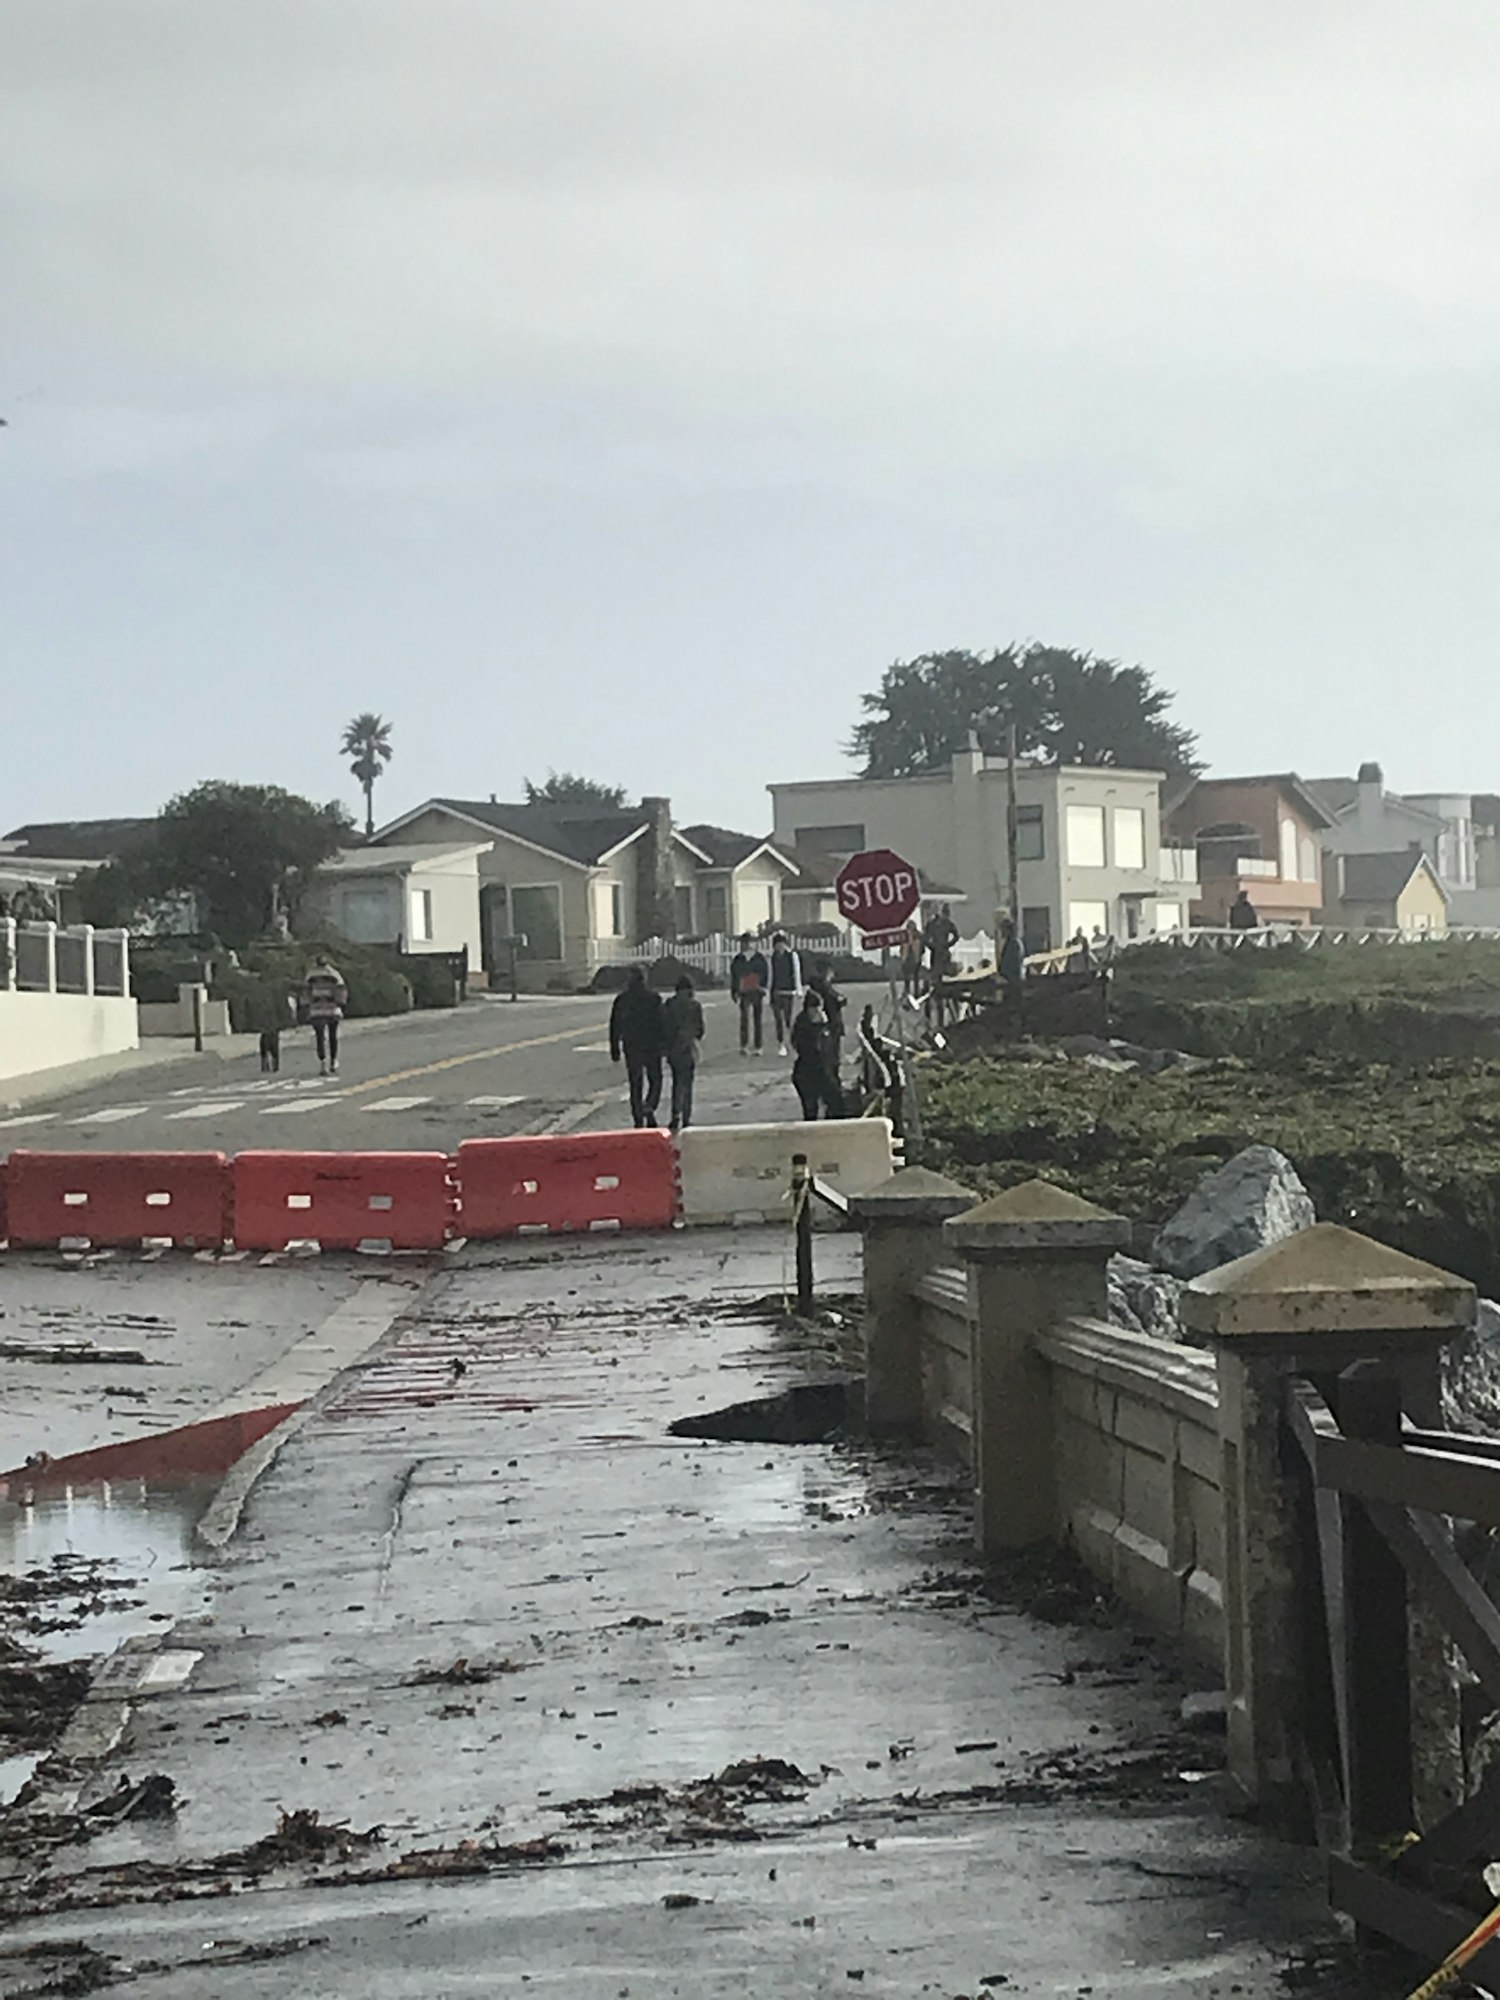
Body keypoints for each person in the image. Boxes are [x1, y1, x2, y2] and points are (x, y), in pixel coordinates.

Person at [609, 966, 665, 1127]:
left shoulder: (622, 999)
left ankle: (638, 1117)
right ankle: (649, 1106)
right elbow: (662, 1022)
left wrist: (615, 1047)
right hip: (652, 1045)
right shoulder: (653, 998)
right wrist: (664, 1044)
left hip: (631, 1045)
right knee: (655, 1080)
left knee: (636, 1082)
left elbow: (615, 1025)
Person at [660, 974, 705, 1132]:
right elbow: (700, 1030)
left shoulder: (669, 1004)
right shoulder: (695, 1006)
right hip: (688, 1048)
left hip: (673, 1048)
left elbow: (664, 1026)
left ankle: (675, 1115)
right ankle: (686, 1117)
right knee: (688, 1083)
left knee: (676, 1083)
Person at [790, 990, 844, 1120]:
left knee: (833, 1103)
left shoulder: (818, 1026)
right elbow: (810, 1049)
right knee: (811, 1108)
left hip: (819, 1071)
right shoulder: (805, 1027)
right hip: (809, 1074)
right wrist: (819, 1027)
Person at [303, 955, 348, 1077]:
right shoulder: (334, 974)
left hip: (316, 1009)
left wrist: (306, 1006)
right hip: (331, 1008)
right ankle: (333, 1062)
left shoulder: (310, 975)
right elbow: (341, 990)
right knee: (333, 1036)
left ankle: (323, 1063)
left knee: (320, 1037)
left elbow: (306, 992)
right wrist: (341, 1005)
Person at [730, 932, 770, 1056]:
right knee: (744, 1019)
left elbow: (765, 973)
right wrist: (734, 991)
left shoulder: (759, 958)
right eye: (745, 943)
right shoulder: (738, 959)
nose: (747, 945)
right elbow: (734, 976)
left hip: (757, 991)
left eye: (750, 942)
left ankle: (758, 1046)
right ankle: (744, 1045)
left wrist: (763, 987)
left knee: (757, 1020)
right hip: (744, 992)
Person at [767, 932, 803, 1056]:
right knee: (778, 1020)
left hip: (789, 992)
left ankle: (794, 1043)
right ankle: (781, 1044)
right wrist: (769, 993)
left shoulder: (792, 956)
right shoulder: (773, 958)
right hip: (777, 992)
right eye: (777, 945)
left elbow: (796, 972)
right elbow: (771, 975)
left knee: (789, 1020)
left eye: (781, 944)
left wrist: (798, 990)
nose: (779, 947)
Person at [924, 903, 960, 982]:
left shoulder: (947, 923)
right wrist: (932, 946)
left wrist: (948, 944)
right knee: (936, 973)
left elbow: (956, 936)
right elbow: (925, 939)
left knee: (944, 972)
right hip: (937, 951)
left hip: (943, 950)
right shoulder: (932, 924)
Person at [1000, 918, 1026, 985]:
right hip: (1009, 979)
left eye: (1003, 929)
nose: (1002, 932)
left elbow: (1015, 963)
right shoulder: (1010, 942)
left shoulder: (1014, 943)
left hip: (1013, 980)